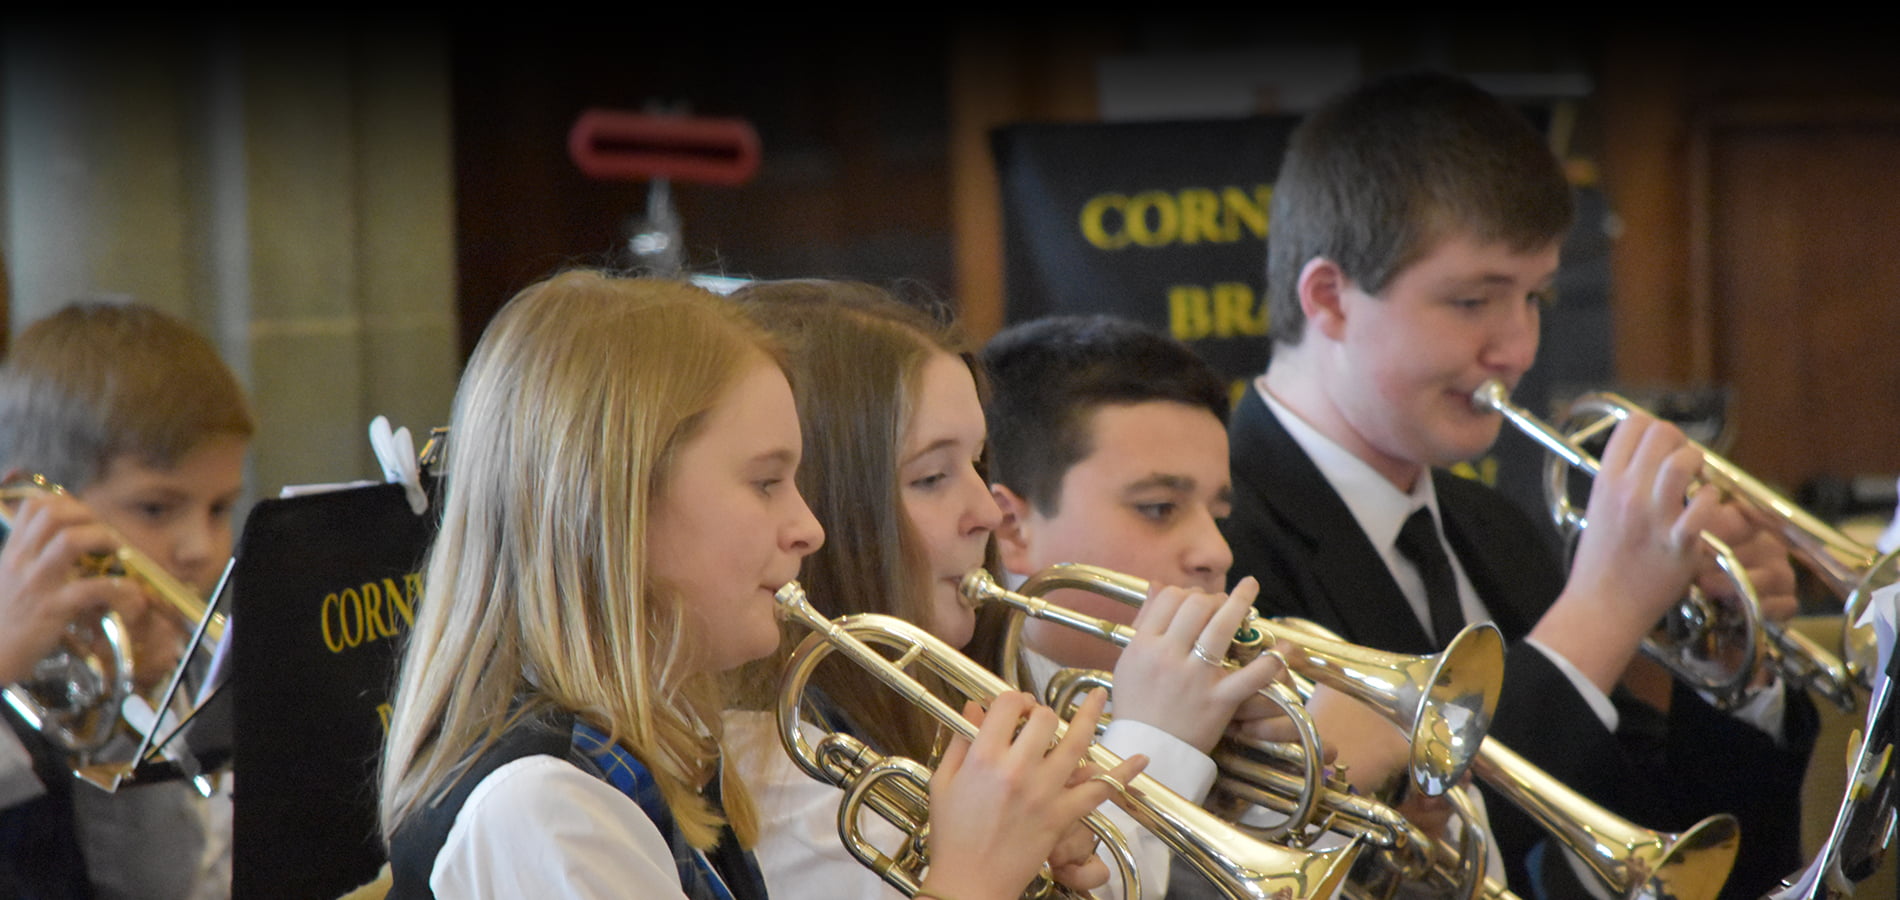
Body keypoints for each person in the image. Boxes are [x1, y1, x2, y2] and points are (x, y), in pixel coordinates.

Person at [1222, 72, 1816, 899]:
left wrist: (1730, 671)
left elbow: (1679, 858)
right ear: (1329, 298)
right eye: (1473, 301)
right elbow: (1397, 862)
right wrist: (1602, 613)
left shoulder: (1491, 526)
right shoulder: (1212, 537)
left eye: (1534, 297)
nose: (1519, 348)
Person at [379, 272, 1133, 900]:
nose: (809, 527)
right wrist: (970, 881)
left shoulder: (659, 760)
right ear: (621, 505)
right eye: (767, 482)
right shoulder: (540, 807)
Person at [722, 282, 1148, 900]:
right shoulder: (783, 771)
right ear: (825, 509)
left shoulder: (929, 718)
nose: (986, 511)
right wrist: (1165, 736)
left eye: (978, 465)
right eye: (930, 477)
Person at [979, 314, 1294, 896]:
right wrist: (1160, 744)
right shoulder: (966, 734)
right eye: (1157, 507)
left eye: (1218, 515)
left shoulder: (1249, 704)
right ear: (1011, 526)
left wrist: (1330, 783)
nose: (1215, 552)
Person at [0, 301, 251, 900]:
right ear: (30, 509)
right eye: (156, 508)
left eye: (219, 509)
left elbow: (164, 885)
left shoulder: (154, 650)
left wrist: (134, 705)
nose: (200, 550)